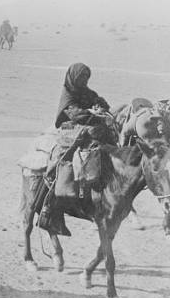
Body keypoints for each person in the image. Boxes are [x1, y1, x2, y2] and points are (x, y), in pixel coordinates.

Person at [40, 62, 116, 235]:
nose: (84, 80)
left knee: (109, 138)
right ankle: (49, 202)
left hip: (89, 126)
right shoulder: (68, 94)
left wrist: (100, 106)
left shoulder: (87, 92)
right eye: (81, 77)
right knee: (64, 158)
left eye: (86, 77)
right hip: (70, 128)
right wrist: (91, 113)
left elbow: (100, 101)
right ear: (73, 77)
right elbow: (73, 114)